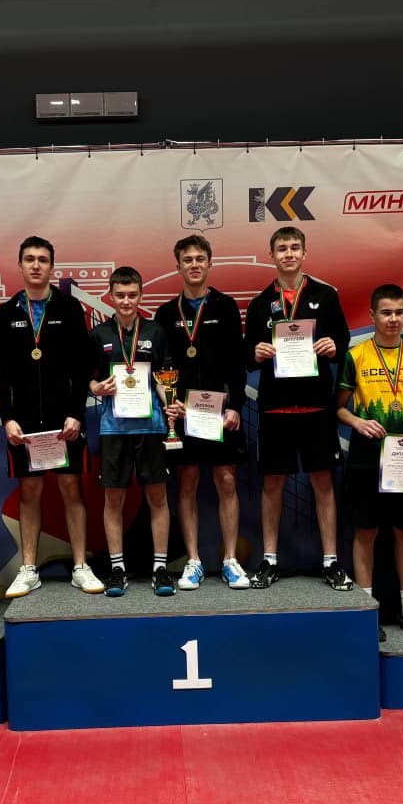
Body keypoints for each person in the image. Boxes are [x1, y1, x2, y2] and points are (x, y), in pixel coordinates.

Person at [0, 236, 104, 598]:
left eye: (42, 260)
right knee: (30, 491)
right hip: (24, 422)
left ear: (52, 267)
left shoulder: (69, 308)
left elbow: (82, 366)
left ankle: (81, 566)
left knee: (71, 488)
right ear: (20, 265)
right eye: (30, 259)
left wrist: (76, 414)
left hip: (64, 419)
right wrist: (7, 418)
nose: (36, 265)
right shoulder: (6, 313)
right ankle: (28, 568)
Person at [243, 227, 352, 590]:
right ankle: (270, 559)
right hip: (275, 408)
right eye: (281, 248)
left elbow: (343, 343)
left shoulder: (325, 295)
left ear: (305, 253)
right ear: (271, 255)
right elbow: (247, 355)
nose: (288, 254)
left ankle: (331, 560)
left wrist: (332, 347)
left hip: (316, 406)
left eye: (294, 248)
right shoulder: (260, 303)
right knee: (272, 483)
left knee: (323, 481)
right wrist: (256, 353)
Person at [337, 284, 403, 640]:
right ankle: (367, 611)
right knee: (365, 532)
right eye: (386, 313)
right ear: (372, 316)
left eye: (399, 313)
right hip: (366, 458)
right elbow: (337, 407)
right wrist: (357, 421)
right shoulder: (356, 356)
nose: (393, 319)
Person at [153, 235, 250, 591]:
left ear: (210, 263)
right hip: (183, 414)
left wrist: (236, 405)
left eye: (200, 258)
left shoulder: (226, 307)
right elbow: (162, 368)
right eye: (187, 259)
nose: (194, 264)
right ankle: (193, 560)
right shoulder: (166, 314)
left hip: (220, 412)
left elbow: (237, 363)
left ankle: (230, 560)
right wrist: (171, 403)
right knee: (187, 482)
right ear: (178, 266)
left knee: (226, 480)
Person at [88, 266, 181, 597]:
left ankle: (160, 568)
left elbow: (164, 378)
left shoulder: (155, 331)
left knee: (157, 496)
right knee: (113, 498)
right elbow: (90, 378)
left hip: (151, 426)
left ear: (141, 296)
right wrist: (96, 388)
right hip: (114, 428)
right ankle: (117, 569)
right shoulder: (98, 334)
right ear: (110, 297)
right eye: (120, 295)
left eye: (132, 295)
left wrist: (171, 404)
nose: (126, 301)